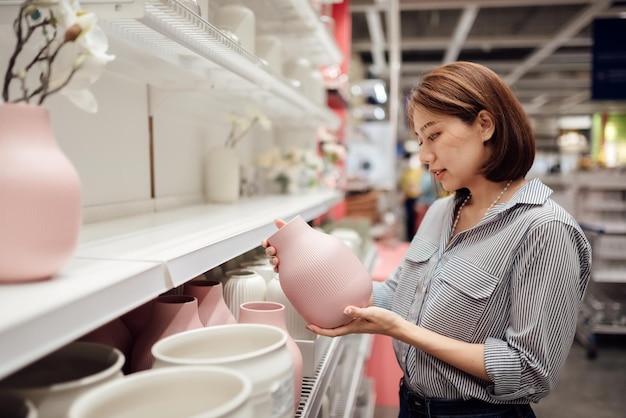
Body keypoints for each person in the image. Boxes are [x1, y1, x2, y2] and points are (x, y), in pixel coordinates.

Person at [263, 61, 591, 418]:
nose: (423, 156)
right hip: (413, 405)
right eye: (420, 140)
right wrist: (315, 270)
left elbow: (531, 371)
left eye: (433, 135)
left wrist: (403, 331)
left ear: (485, 124)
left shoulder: (544, 229)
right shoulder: (441, 212)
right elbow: (396, 295)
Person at [399, 153, 425, 241]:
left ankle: (413, 238)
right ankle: (409, 238)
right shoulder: (407, 172)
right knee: (409, 219)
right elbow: (404, 185)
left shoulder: (417, 171)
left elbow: (415, 185)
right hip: (409, 198)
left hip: (415, 199)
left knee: (415, 220)